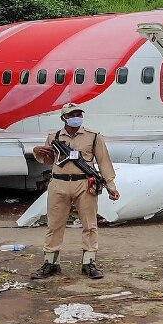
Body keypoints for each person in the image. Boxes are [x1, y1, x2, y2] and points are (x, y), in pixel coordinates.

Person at [29, 102, 119, 280]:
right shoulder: (53, 136)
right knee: (54, 224)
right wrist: (37, 152)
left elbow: (104, 161)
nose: (76, 117)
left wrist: (111, 186)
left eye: (78, 114)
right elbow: (49, 160)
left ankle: (89, 263)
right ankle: (51, 263)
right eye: (72, 115)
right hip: (59, 183)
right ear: (64, 118)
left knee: (89, 224)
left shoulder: (93, 136)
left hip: (84, 183)